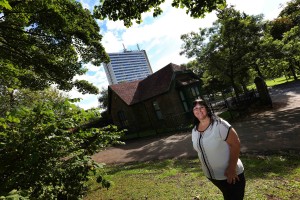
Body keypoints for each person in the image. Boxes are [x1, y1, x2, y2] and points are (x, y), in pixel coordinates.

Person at [191, 98, 246, 200]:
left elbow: (236, 144)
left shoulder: (219, 124)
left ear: (207, 108)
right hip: (214, 177)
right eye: (195, 108)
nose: (199, 110)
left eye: (202, 107)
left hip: (231, 176)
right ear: (193, 111)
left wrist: (231, 169)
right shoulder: (194, 129)